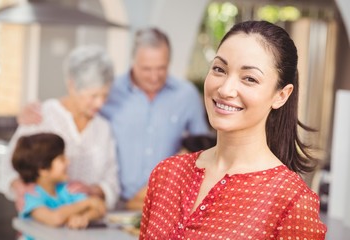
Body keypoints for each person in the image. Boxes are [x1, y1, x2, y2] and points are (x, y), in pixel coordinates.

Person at [140, 20, 327, 239]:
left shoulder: (292, 201)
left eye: (249, 78)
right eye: (219, 69)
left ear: (281, 95)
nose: (226, 89)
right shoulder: (167, 174)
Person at [16, 28, 210, 207]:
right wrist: (33, 111)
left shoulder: (187, 96)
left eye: (161, 68)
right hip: (117, 204)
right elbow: (75, 103)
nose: (154, 77)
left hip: (167, 203)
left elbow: (203, 150)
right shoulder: (110, 89)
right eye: (146, 69)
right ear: (132, 61)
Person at [0, 45, 119, 209]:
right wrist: (20, 188)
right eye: (93, 96)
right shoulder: (42, 116)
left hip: (85, 224)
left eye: (105, 95)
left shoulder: (103, 128)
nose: (100, 103)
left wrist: (94, 190)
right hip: (41, 223)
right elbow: (6, 167)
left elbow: (112, 181)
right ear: (71, 85)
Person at [13, 133, 106, 233]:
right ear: (43, 169)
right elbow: (54, 219)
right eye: (62, 159)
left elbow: (100, 207)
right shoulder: (30, 195)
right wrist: (87, 202)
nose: (68, 162)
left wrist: (84, 217)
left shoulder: (66, 189)